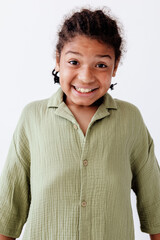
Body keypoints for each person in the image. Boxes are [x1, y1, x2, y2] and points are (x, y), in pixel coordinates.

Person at [0, 6, 160, 240]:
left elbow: (154, 201)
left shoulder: (130, 119)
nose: (86, 76)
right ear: (58, 61)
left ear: (115, 67)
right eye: (74, 62)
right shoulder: (32, 117)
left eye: (101, 65)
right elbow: (9, 206)